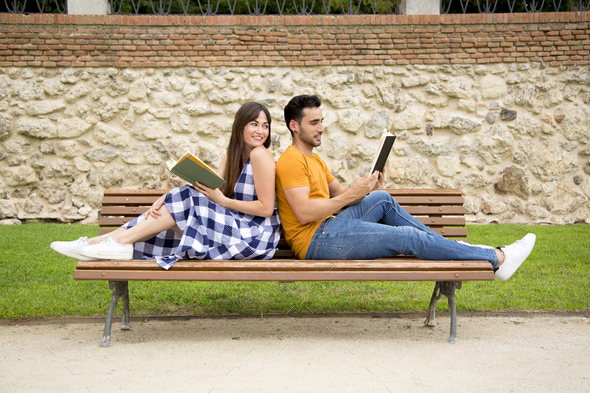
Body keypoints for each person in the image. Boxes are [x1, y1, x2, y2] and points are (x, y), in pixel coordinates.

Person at [275, 95, 536, 281]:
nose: (321, 128)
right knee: (407, 237)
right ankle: (497, 257)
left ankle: (451, 247)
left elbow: (343, 196)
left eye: (321, 121)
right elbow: (304, 213)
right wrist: (352, 195)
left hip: (330, 226)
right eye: (313, 123)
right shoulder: (291, 161)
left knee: (382, 198)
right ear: (294, 126)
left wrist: (368, 187)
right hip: (316, 241)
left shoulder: (314, 158)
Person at [51, 102, 281, 270]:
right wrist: (169, 196)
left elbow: (265, 209)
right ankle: (95, 243)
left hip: (255, 237)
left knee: (185, 198)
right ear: (240, 127)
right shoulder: (233, 154)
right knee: (184, 196)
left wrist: (223, 201)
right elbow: (206, 188)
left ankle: (116, 242)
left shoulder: (261, 155)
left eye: (265, 125)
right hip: (234, 230)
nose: (261, 131)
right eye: (254, 124)